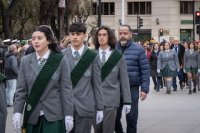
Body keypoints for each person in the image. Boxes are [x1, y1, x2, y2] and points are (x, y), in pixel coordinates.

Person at [13, 25, 74, 133]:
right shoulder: (26, 61)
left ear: (49, 40)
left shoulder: (60, 60)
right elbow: (21, 90)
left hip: (54, 116)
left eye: (40, 38)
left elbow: (66, 89)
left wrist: (69, 114)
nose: (35, 41)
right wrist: (17, 112)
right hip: (32, 115)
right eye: (33, 38)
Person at [62, 22, 104, 133]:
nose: (75, 37)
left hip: (85, 107)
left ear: (85, 36)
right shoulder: (61, 56)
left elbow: (97, 84)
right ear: (69, 36)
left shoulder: (92, 57)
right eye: (72, 34)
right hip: (64, 107)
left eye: (78, 34)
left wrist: (100, 108)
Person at [93, 26, 131, 133]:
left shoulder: (118, 56)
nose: (101, 37)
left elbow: (124, 80)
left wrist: (127, 101)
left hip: (111, 100)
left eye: (104, 35)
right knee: (97, 130)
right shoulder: (91, 55)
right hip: (94, 100)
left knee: (108, 130)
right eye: (99, 35)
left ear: (110, 37)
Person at [115, 24, 150, 133]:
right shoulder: (112, 48)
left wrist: (144, 89)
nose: (122, 35)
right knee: (114, 118)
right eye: (120, 33)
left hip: (132, 89)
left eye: (125, 33)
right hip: (115, 89)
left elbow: (145, 70)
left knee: (131, 118)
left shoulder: (138, 49)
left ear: (130, 34)